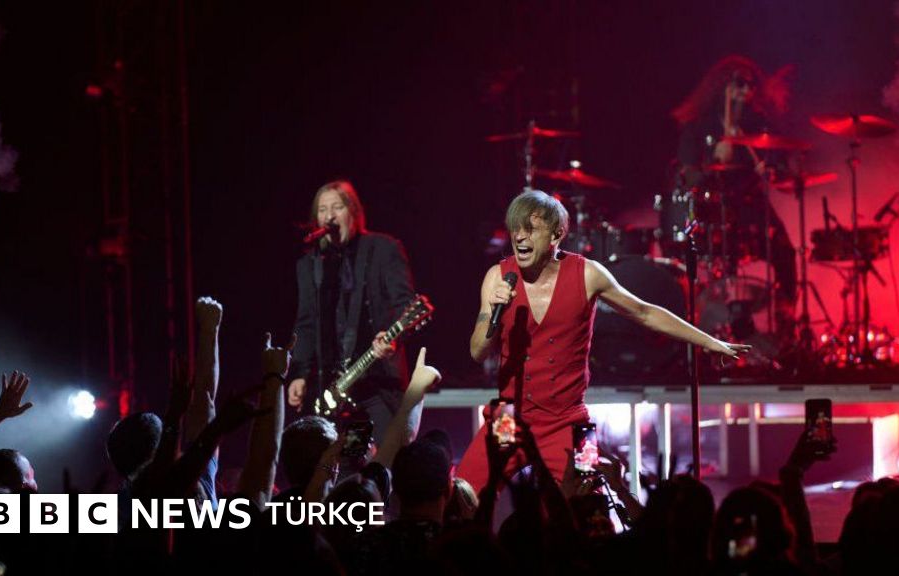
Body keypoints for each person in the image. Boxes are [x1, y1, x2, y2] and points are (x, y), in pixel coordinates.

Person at [458, 190, 750, 491]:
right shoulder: (498, 277)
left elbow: (644, 312)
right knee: (465, 494)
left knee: (589, 509)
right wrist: (494, 312)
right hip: (509, 418)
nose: (520, 236)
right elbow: (477, 353)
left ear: (556, 234)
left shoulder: (587, 274)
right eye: (515, 228)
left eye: (530, 229)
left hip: (567, 421)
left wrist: (708, 342)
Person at [672, 55, 798, 331]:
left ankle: (786, 321)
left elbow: (779, 163)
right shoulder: (698, 125)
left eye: (751, 85)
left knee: (784, 250)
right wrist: (712, 160)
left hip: (749, 203)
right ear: (722, 87)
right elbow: (687, 175)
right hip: (711, 209)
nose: (747, 91)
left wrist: (772, 169)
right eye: (740, 84)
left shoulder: (756, 124)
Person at [289, 180, 415, 442]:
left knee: (387, 456)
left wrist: (392, 338)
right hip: (334, 390)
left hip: (377, 382)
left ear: (353, 213)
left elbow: (405, 304)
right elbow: (306, 323)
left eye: (337, 207)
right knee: (346, 460)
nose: (330, 216)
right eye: (323, 210)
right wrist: (300, 374)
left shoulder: (383, 249)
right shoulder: (310, 264)